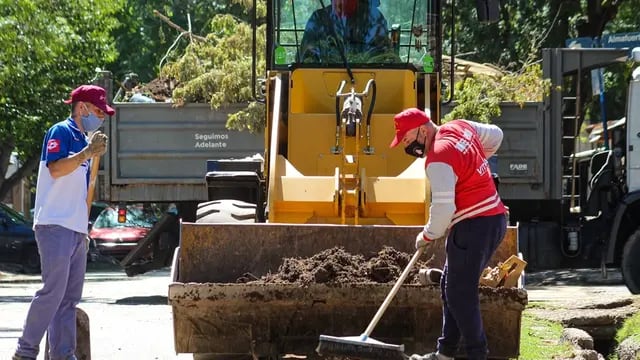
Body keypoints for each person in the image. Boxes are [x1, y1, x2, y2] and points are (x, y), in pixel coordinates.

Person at [389, 108, 508, 360]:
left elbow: (443, 208)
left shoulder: (438, 158)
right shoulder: (459, 127)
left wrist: (427, 235)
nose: (408, 147)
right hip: (493, 220)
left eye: (408, 140)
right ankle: (445, 353)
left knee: (459, 293)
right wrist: (473, 165)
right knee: (450, 286)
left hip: (473, 225)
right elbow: (496, 135)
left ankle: (477, 354)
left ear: (423, 129)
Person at [13, 85, 112, 360]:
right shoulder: (61, 132)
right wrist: (88, 154)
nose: (101, 117)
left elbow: (85, 189)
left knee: (68, 299)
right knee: (52, 293)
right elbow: (56, 169)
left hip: (75, 228)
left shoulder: (84, 140)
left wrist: (84, 228)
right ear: (82, 107)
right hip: (54, 224)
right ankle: (25, 352)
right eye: (98, 111)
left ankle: (63, 354)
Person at [299, 0, 391, 63]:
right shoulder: (318, 19)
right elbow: (305, 62)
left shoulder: (374, 19)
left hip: (368, 84)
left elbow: (385, 59)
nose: (341, 2)